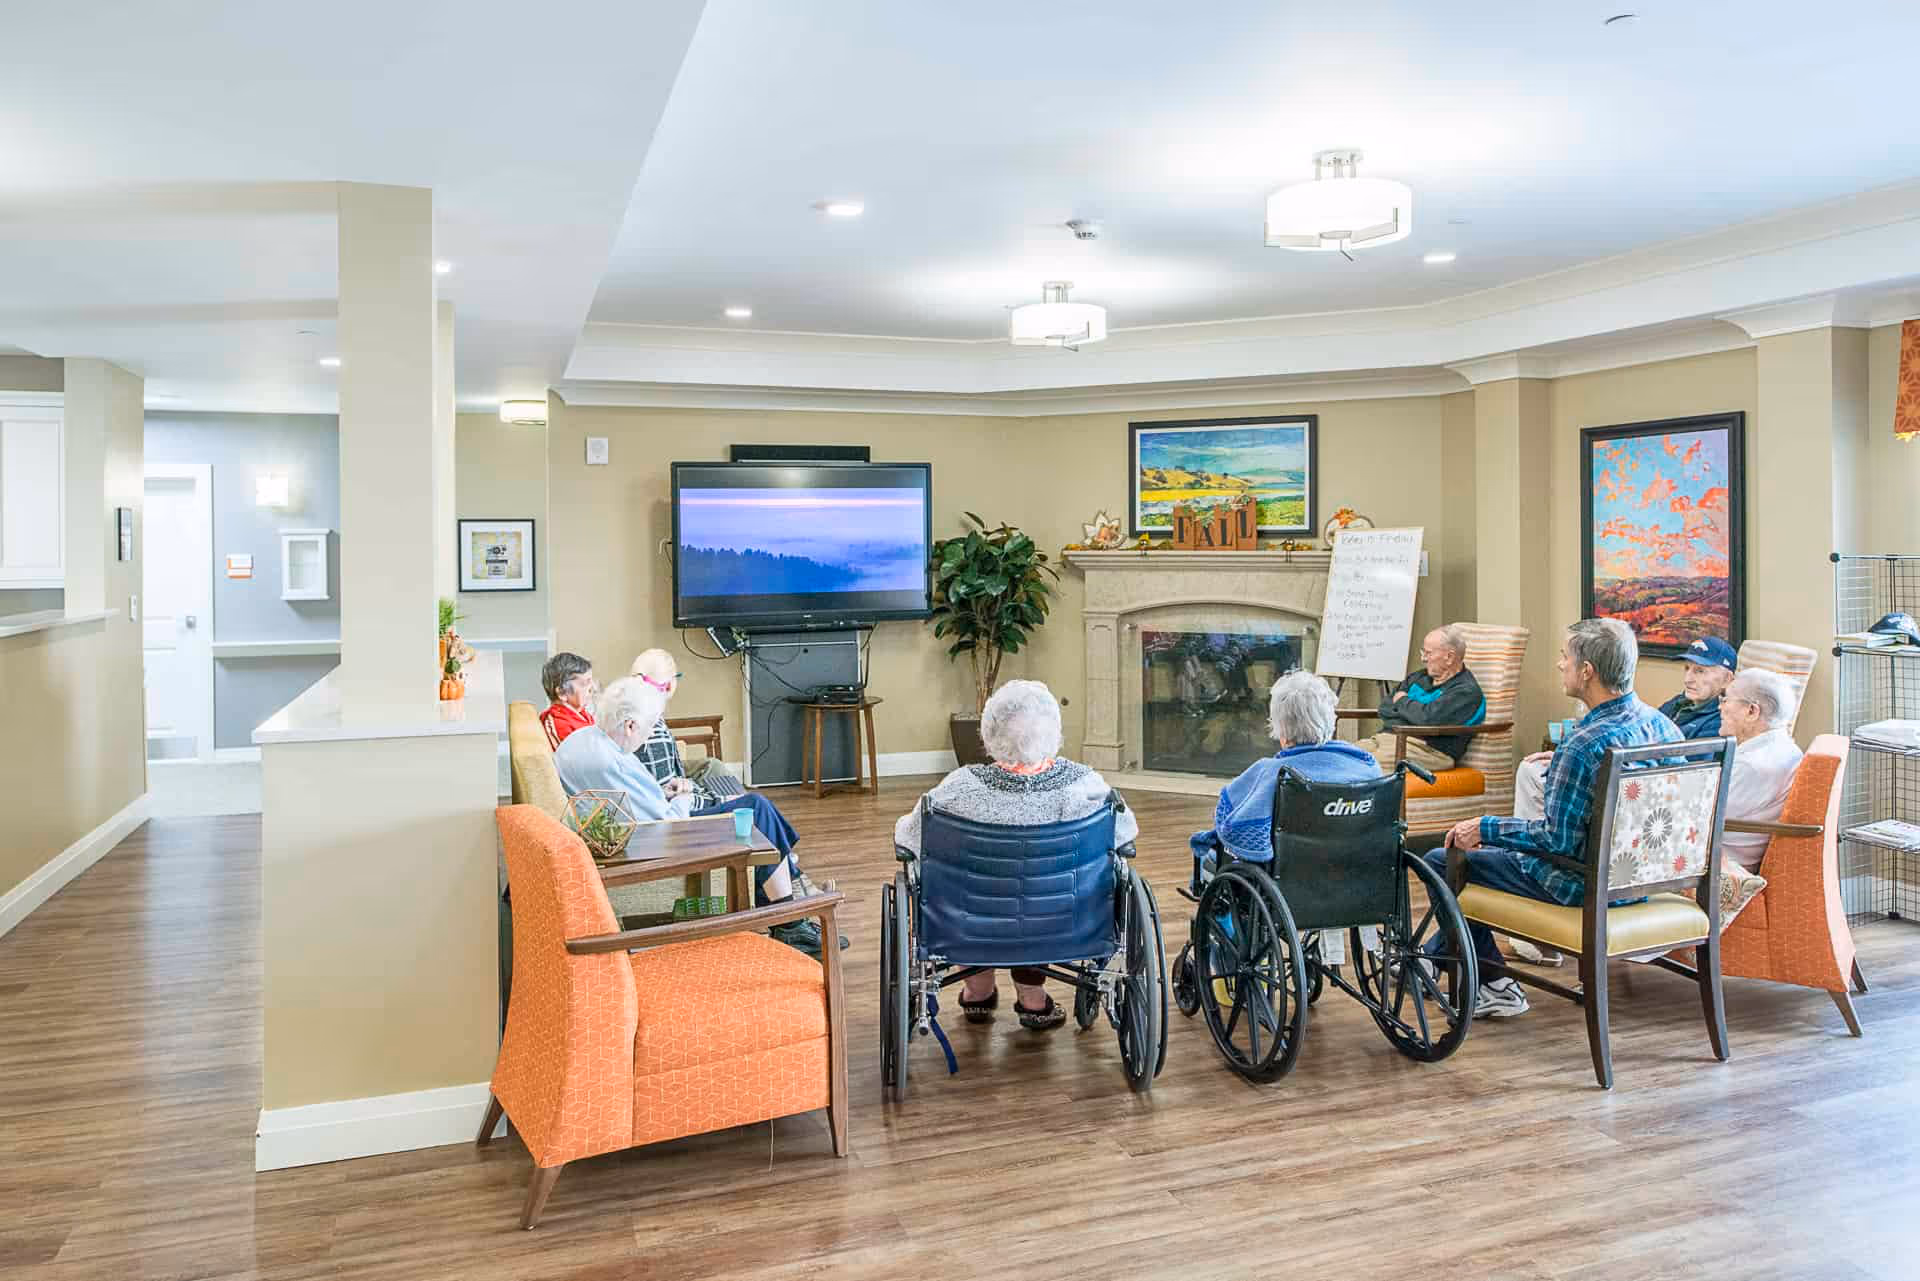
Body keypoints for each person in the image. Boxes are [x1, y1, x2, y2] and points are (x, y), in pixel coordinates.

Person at [1422, 618, 1682, 1019]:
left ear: (1587, 671)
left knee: (1444, 859)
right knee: (1481, 853)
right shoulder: (1664, 728)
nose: (1560, 665)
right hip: (1643, 880)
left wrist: (1483, 826)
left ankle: (1493, 984)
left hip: (1581, 885)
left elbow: (1556, 841)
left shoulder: (1582, 746)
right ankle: (1432, 957)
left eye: (1565, 657)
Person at [894, 680, 1139, 1031]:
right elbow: (1126, 836)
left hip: (969, 924)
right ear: (1054, 732)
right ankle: (1033, 1001)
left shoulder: (958, 789)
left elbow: (907, 840)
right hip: (1065, 922)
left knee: (973, 891)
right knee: (1038, 896)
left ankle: (977, 991)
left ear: (989, 733)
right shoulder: (1085, 787)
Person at [556, 676, 834, 957]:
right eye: (650, 727)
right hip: (665, 840)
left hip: (638, 832)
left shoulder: (583, 740)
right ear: (630, 726)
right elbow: (663, 823)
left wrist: (662, 791)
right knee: (756, 809)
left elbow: (635, 801)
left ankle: (788, 919)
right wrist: (684, 797)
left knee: (760, 814)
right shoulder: (613, 761)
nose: (649, 735)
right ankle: (790, 921)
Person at [624, 649, 838, 955]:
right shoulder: (649, 726)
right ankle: (791, 916)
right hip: (674, 830)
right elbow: (669, 802)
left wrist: (692, 788)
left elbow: (667, 787)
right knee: (756, 806)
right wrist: (715, 796)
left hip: (667, 820)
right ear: (670, 685)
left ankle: (791, 911)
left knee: (755, 807)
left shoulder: (635, 715)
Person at [1513, 633, 1737, 819]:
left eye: (1700, 671)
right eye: (1687, 668)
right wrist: (1569, 760)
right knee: (1530, 770)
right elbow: (1636, 741)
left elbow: (1681, 784)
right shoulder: (1677, 704)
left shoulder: (1719, 725)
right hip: (1620, 781)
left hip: (1640, 806)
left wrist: (1578, 763)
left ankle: (1544, 853)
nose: (1688, 678)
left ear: (1728, 679)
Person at [1191, 670, 1380, 873]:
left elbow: (1234, 826)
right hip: (1356, 874)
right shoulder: (1366, 766)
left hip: (1290, 876)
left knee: (1207, 860)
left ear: (1280, 727)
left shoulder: (1271, 772)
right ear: (1330, 718)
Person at [1351, 625, 1486, 772]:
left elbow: (1429, 720)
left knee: (1358, 766)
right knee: (1334, 757)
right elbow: (1385, 708)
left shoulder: (1465, 691)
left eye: (1428, 653)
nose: (1423, 658)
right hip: (1386, 738)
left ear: (1449, 657)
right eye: (1423, 652)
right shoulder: (1418, 678)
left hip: (1428, 751)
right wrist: (1415, 712)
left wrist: (1402, 702)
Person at [1717, 668, 1806, 872]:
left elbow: (1704, 817)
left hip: (1721, 864)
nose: (1720, 708)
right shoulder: (1784, 747)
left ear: (1751, 711)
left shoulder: (1753, 765)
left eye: (1726, 700)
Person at [537, 652, 597, 748]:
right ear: (562, 693)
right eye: (584, 684)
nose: (592, 688)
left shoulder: (581, 713)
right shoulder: (559, 725)